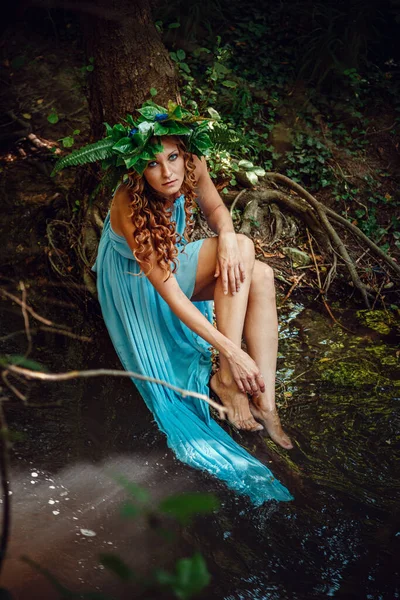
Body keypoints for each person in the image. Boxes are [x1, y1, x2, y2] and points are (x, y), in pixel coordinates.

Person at [52, 101, 293, 505]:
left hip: (171, 264)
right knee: (249, 266)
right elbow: (174, 299)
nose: (168, 172)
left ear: (183, 152)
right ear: (137, 169)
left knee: (261, 273)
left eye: (173, 157)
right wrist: (233, 352)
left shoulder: (191, 163)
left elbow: (216, 209)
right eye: (153, 164)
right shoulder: (129, 203)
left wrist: (229, 238)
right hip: (138, 286)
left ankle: (264, 402)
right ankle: (228, 378)